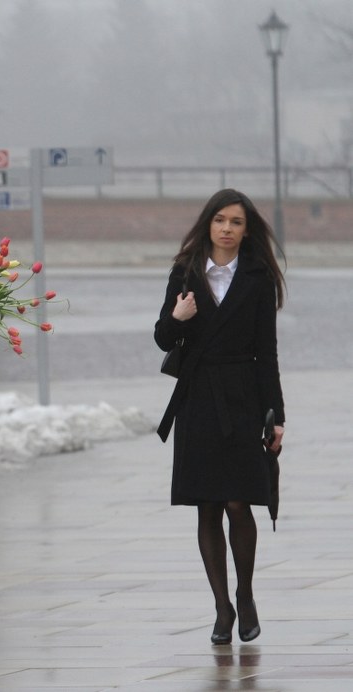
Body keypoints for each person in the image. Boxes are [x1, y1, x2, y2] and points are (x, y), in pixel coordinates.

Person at [155, 188, 286, 645]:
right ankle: (222, 608)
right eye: (219, 220)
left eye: (236, 222)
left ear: (247, 230)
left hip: (242, 398)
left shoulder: (257, 276)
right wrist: (179, 314)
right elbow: (161, 337)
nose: (227, 228)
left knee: (238, 501)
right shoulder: (186, 271)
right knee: (208, 504)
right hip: (196, 399)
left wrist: (277, 416)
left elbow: (267, 352)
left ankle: (245, 594)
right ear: (208, 223)